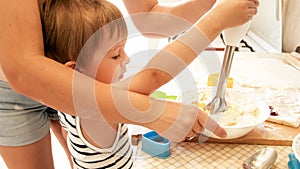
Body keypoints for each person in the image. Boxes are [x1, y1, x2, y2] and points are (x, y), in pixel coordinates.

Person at [0, 0, 259, 169]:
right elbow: (156, 75)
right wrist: (216, 22)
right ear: (75, 71)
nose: (126, 59)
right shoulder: (95, 115)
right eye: (115, 55)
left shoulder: (73, 104)